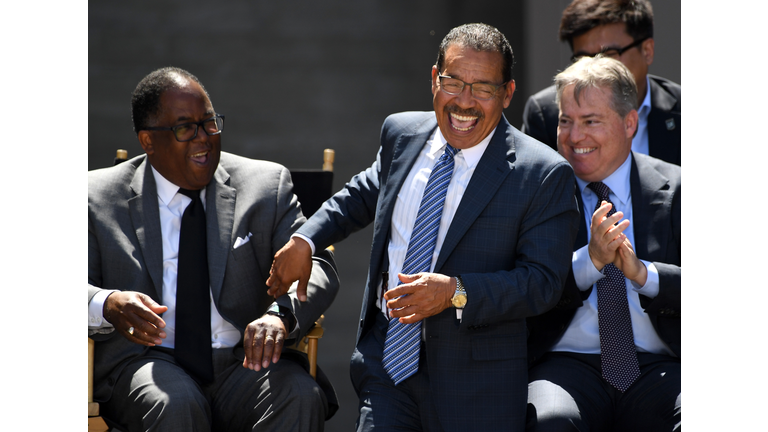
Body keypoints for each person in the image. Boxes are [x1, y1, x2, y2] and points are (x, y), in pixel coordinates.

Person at [266, 23, 580, 431]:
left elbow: (542, 283)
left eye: (483, 88)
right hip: (387, 365)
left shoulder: (542, 172)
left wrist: (455, 292)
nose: (464, 102)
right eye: (453, 82)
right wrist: (306, 240)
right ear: (434, 79)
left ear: (507, 93)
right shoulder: (402, 133)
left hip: (477, 386)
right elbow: (362, 194)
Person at [87, 66, 340, 432]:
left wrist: (279, 315)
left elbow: (317, 263)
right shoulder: (97, 196)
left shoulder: (265, 186)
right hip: (148, 361)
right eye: (185, 128)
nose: (204, 138)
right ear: (147, 141)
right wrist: (107, 303)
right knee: (173, 405)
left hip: (244, 362)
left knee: (299, 395)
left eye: (210, 122)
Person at [525, 55, 680, 431]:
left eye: (591, 121)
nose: (575, 137)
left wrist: (644, 274)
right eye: (566, 121)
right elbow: (522, 284)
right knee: (550, 422)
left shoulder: (678, 189)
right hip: (565, 361)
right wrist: (588, 262)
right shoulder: (535, 193)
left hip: (659, 363)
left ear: (630, 123)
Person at [521, 0, 681, 166]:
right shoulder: (547, 113)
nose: (596, 67)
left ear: (647, 51)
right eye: (584, 58)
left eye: (608, 54)